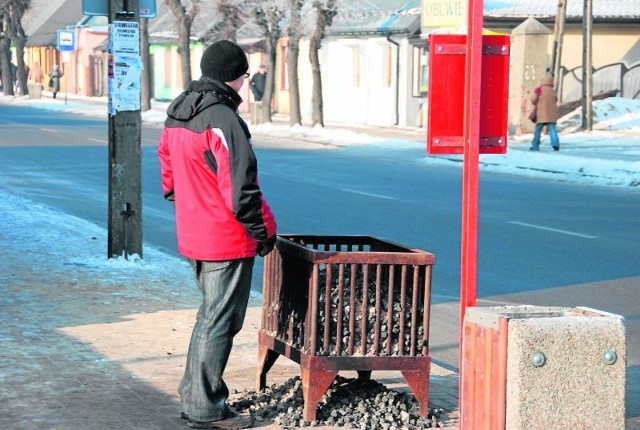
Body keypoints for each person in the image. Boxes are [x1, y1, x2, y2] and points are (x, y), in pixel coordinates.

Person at [157, 40, 277, 430]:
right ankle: (205, 407)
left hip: (195, 233)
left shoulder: (179, 112)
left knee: (210, 317)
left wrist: (191, 204)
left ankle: (196, 395)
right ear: (234, 76)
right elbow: (241, 189)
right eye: (244, 75)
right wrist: (263, 232)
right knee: (219, 321)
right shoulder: (223, 119)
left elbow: (169, 173)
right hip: (225, 238)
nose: (245, 82)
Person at [530, 72, 560, 151]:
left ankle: (535, 146)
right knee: (552, 130)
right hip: (551, 115)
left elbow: (533, 100)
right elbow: (556, 100)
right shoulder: (553, 91)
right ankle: (555, 144)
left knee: (537, 131)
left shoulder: (539, 89)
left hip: (541, 114)